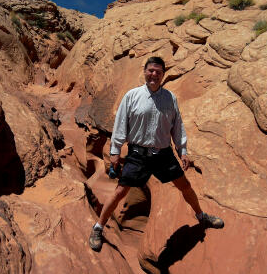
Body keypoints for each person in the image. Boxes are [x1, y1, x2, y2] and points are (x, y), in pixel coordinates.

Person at [89, 56, 224, 251]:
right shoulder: (132, 96)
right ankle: (98, 228)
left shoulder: (170, 98)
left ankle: (202, 217)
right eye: (151, 70)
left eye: (158, 72)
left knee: (184, 185)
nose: (154, 74)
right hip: (138, 154)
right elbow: (120, 125)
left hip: (163, 154)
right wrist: (115, 150)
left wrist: (182, 151)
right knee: (120, 192)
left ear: (162, 75)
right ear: (144, 71)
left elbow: (177, 127)